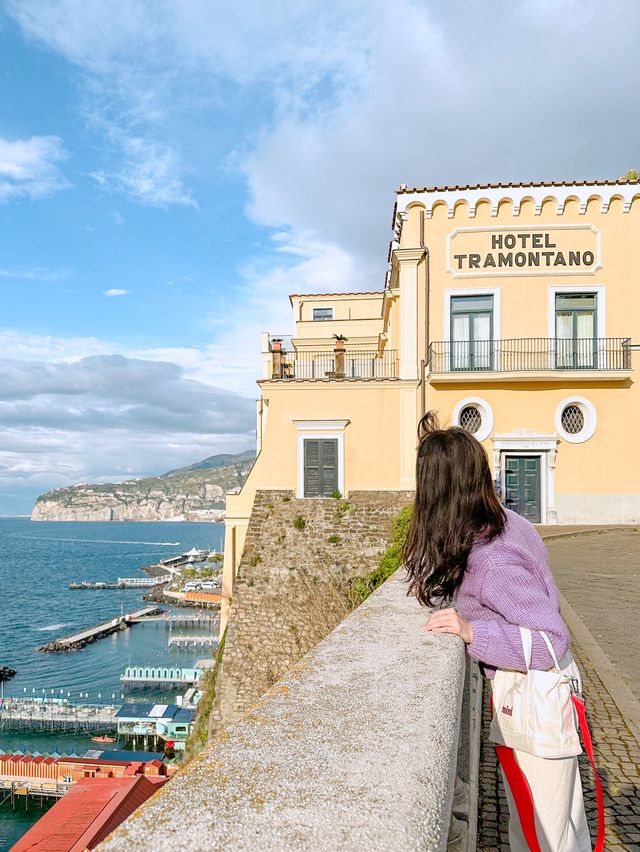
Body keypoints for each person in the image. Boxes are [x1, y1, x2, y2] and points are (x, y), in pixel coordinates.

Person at [403, 412, 590, 852]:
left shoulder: (492, 559)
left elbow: (550, 639)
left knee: (540, 836)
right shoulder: (507, 522)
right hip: (547, 700)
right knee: (562, 830)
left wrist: (472, 632)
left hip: (534, 707)